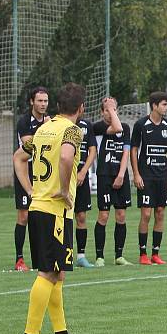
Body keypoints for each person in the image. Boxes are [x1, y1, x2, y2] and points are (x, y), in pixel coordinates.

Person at [13, 82, 88, 334]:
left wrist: (32, 190)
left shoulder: (43, 129)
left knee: (57, 273)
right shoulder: (72, 130)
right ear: (81, 108)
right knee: (47, 272)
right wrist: (64, 190)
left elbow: (18, 158)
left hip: (40, 208)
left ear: (57, 106)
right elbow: (67, 158)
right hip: (55, 211)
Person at [131, 91, 167, 265]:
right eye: (164, 104)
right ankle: (143, 253)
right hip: (146, 176)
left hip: (162, 177)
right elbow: (134, 149)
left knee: (160, 213)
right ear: (154, 106)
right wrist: (136, 173)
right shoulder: (141, 125)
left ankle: (155, 253)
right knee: (146, 213)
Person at [92, 97, 133, 266]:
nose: (111, 112)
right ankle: (99, 256)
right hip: (104, 176)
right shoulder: (99, 127)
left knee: (121, 215)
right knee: (103, 215)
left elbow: (126, 152)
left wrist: (121, 174)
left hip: (121, 176)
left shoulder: (126, 128)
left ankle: (119, 256)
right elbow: (115, 127)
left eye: (114, 109)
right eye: (107, 109)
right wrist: (110, 108)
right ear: (102, 112)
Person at [13, 87, 50, 271]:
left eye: (45, 101)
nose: (43, 104)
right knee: (24, 215)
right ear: (31, 102)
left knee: (40, 217)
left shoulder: (50, 120)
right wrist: (48, 129)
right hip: (25, 174)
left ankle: (40, 258)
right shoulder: (24, 122)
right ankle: (19, 259)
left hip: (43, 175)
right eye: (40, 101)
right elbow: (31, 144)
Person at [73, 114, 98, 267]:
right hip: (63, 179)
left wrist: (83, 172)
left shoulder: (86, 125)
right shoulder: (59, 124)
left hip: (81, 178)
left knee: (81, 216)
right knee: (62, 218)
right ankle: (63, 254)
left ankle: (81, 256)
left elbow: (92, 150)